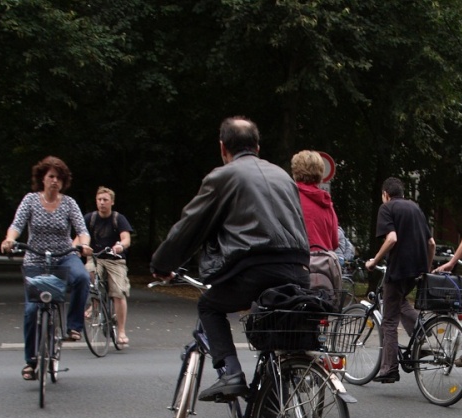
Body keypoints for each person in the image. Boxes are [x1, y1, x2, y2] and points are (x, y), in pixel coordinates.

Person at [151, 116, 310, 399]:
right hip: (297, 268)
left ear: (223, 147)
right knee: (273, 343)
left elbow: (190, 227)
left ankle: (230, 371)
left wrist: (162, 265)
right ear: (257, 147)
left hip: (251, 269)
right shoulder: (283, 176)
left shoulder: (223, 177)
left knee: (209, 307)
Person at [0, 156, 91, 381]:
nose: (55, 181)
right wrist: (9, 239)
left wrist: (84, 244)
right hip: (36, 259)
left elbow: (81, 229)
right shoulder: (30, 200)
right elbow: (17, 225)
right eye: (51, 176)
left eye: (59, 178)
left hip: (63, 256)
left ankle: (74, 326)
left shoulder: (69, 203)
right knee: (32, 311)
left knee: (81, 277)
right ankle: (31, 362)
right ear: (42, 178)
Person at [365, 177, 435, 383]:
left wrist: (374, 261)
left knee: (389, 319)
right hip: (417, 269)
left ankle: (389, 368)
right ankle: (420, 333)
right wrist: (427, 268)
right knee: (400, 301)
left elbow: (392, 238)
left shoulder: (387, 208)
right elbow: (431, 243)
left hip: (399, 269)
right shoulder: (416, 208)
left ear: (386, 193)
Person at [84, 186, 134, 346]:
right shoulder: (90, 218)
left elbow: (126, 238)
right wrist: (75, 249)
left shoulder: (118, 218)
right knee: (89, 273)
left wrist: (121, 246)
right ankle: (95, 303)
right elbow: (80, 237)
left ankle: (121, 331)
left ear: (112, 202)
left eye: (105, 200)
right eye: (99, 200)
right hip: (96, 257)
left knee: (118, 292)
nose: (102, 203)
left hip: (115, 259)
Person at [291, 150, 341, 290]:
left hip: (296, 268)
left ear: (295, 172)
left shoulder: (289, 197)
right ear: (320, 174)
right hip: (322, 272)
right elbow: (334, 242)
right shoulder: (326, 203)